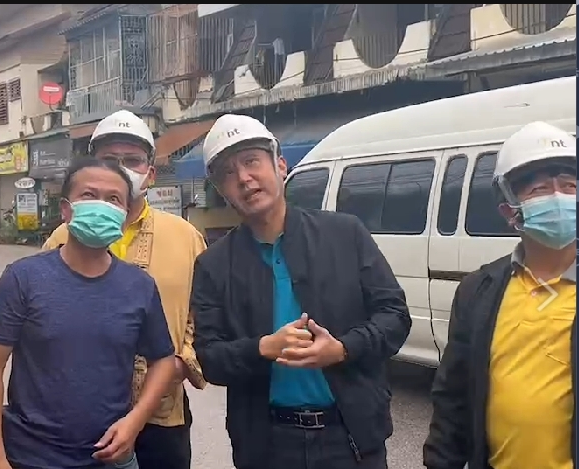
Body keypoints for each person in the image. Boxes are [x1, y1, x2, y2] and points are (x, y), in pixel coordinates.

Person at [191, 113, 411, 469]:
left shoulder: (345, 234)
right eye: (228, 173)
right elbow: (210, 358)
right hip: (269, 445)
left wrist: (342, 348)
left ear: (280, 165)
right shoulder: (214, 265)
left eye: (251, 162)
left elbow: (395, 317)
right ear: (220, 191)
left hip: (350, 435)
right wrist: (263, 348)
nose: (244, 179)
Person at [0, 157, 178, 469]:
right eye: (89, 195)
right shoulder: (23, 278)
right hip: (29, 457)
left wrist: (135, 421)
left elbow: (163, 360)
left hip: (110, 458)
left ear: (125, 214)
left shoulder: (139, 286)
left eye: (113, 198)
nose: (101, 205)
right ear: (66, 209)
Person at [42, 109, 207, 469]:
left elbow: (203, 314)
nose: (121, 168)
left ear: (149, 172)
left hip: (162, 416)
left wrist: (183, 360)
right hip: (76, 415)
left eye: (131, 161)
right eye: (109, 160)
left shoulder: (185, 237)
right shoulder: (59, 240)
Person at [423, 121, 577, 469]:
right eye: (539, 189)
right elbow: (453, 398)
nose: (558, 197)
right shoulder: (480, 290)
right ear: (510, 211)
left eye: (569, 186)